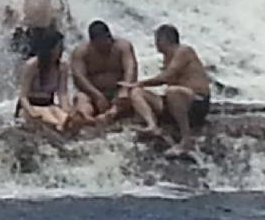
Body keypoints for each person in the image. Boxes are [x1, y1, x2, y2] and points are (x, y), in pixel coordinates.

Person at [124, 23, 212, 153]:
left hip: (196, 103)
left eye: (157, 39)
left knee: (172, 91)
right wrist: (137, 86)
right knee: (136, 93)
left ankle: (186, 140)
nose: (155, 43)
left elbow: (166, 77)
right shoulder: (167, 58)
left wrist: (140, 83)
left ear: (164, 39)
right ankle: (152, 125)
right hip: (175, 104)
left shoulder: (184, 51)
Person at [69, 20, 138, 129]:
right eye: (98, 43)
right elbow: (78, 77)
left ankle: (110, 114)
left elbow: (131, 68)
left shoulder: (122, 47)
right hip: (94, 93)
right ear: (92, 42)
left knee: (132, 94)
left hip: (118, 91)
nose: (103, 46)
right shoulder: (81, 52)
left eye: (105, 41)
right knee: (81, 97)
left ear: (109, 36)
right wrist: (97, 95)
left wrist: (124, 89)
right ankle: (87, 117)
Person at [15, 34, 78, 134]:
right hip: (30, 105)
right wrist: (31, 112)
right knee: (55, 123)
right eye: (58, 47)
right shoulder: (32, 65)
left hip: (49, 104)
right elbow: (23, 96)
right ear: (49, 49)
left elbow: (62, 94)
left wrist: (67, 109)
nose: (61, 50)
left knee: (66, 120)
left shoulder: (62, 66)